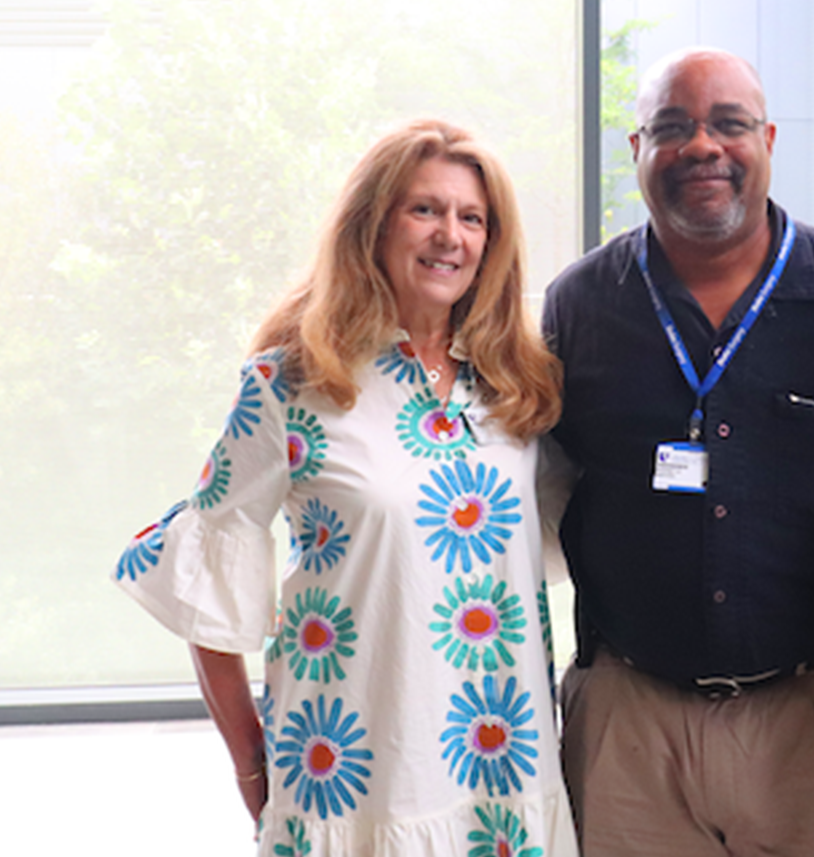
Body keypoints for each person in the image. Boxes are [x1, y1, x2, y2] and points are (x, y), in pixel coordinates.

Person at [113, 119, 578, 857]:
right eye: (424, 209)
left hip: (505, 783)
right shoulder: (292, 382)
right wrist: (252, 767)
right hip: (351, 788)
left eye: (471, 218)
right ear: (374, 225)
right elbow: (202, 579)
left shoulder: (519, 387)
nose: (448, 236)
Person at [542, 46, 814, 856]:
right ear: (636, 150)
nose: (702, 148)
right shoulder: (579, 305)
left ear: (766, 139)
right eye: (672, 127)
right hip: (630, 725)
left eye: (728, 125)